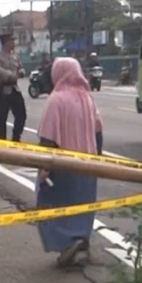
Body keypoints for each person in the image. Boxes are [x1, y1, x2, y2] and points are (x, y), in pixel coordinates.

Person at [35, 58, 104, 267]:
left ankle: (67, 244)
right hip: (87, 164)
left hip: (64, 166)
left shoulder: (56, 99)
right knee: (83, 205)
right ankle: (81, 240)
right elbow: (98, 131)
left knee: (50, 202)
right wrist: (97, 159)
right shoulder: (87, 98)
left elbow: (48, 138)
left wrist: (44, 168)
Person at [0, 32, 27, 142]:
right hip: (2, 89)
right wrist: (10, 75)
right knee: (2, 118)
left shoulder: (14, 56)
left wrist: (21, 73)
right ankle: (1, 140)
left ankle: (16, 137)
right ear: (6, 43)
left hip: (14, 88)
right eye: (12, 41)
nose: (14, 43)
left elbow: (21, 68)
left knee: (21, 115)